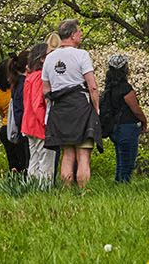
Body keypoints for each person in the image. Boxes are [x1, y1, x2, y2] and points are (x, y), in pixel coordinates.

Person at [43, 19, 102, 188]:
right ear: (72, 34)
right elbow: (93, 86)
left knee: (67, 154)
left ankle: (66, 192)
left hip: (60, 109)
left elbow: (46, 91)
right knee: (83, 154)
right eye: (79, 31)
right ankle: (83, 192)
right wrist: (96, 108)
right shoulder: (81, 54)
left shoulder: (49, 58)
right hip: (80, 107)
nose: (81, 34)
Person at [98, 53, 149, 182]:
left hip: (114, 128)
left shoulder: (108, 89)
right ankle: (123, 185)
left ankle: (118, 184)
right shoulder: (125, 89)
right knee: (128, 162)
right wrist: (144, 120)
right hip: (126, 128)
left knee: (121, 160)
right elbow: (135, 109)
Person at [21, 38, 59, 187]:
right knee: (46, 162)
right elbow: (38, 105)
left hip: (28, 125)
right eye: (50, 54)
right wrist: (47, 124)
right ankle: (44, 191)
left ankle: (31, 188)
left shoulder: (30, 77)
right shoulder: (40, 77)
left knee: (34, 160)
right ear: (42, 59)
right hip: (39, 126)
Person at [0, 52, 30, 174]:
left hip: (5, 129)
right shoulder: (19, 86)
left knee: (13, 164)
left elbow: (1, 113)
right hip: (18, 128)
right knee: (25, 163)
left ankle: (14, 186)